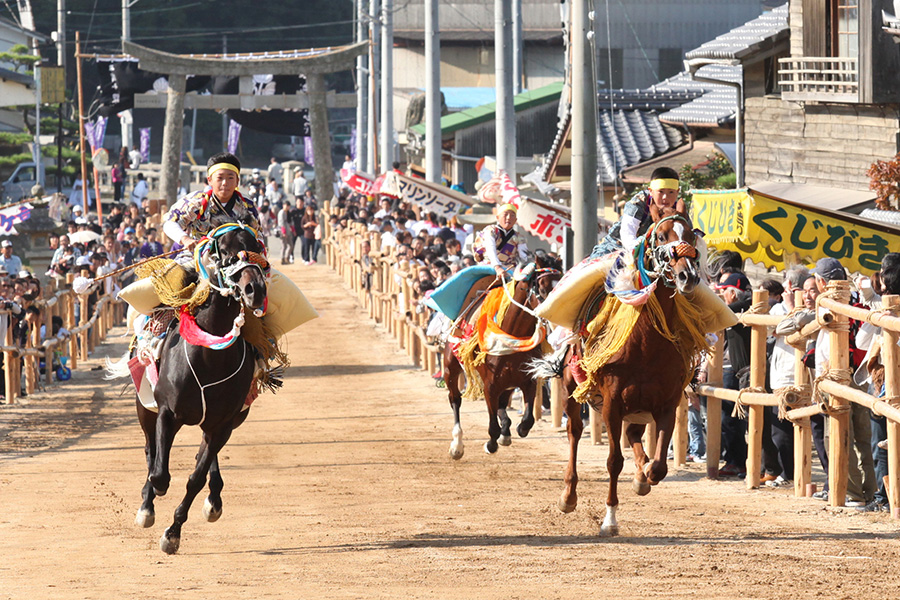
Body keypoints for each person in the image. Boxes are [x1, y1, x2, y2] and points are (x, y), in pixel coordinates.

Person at [162, 152, 260, 260]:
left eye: (230, 178)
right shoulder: (196, 202)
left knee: (276, 277)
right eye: (220, 178)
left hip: (238, 260)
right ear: (210, 180)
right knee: (176, 276)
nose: (225, 183)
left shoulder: (246, 205)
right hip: (197, 257)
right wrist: (185, 239)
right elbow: (170, 224)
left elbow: (257, 234)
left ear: (237, 181)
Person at [590, 166, 682, 258]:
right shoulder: (638, 203)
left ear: (677, 192)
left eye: (671, 192)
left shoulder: (678, 211)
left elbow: (687, 235)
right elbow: (628, 234)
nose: (665, 197)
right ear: (651, 191)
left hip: (655, 256)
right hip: (616, 249)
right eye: (660, 192)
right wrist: (638, 253)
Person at [473, 203, 528, 278]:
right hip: (488, 266)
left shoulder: (519, 237)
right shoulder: (490, 230)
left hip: (509, 270)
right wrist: (497, 267)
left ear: (515, 220)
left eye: (512, 215)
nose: (508, 218)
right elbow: (490, 249)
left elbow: (524, 257)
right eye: (505, 214)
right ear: (498, 217)